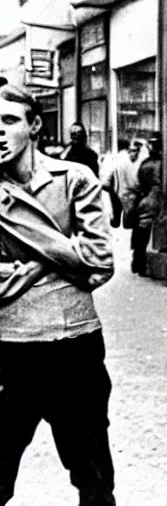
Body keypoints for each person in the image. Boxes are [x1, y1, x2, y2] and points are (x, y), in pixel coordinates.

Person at [0, 84, 116, 505]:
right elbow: (85, 260)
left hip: (74, 343)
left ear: (34, 126)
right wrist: (62, 259)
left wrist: (19, 267)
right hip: (9, 348)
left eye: (8, 121)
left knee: (94, 476)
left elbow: (101, 262)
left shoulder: (74, 179)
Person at [133, 132, 163, 276]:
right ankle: (143, 265)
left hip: (144, 200)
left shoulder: (145, 164)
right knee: (148, 234)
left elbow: (140, 183)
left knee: (141, 235)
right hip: (154, 200)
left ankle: (138, 263)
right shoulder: (162, 164)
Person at [101, 138, 146, 230]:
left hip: (115, 191)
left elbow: (107, 178)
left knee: (116, 215)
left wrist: (108, 187)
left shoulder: (114, 159)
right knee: (129, 219)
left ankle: (116, 224)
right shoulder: (133, 160)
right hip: (131, 192)